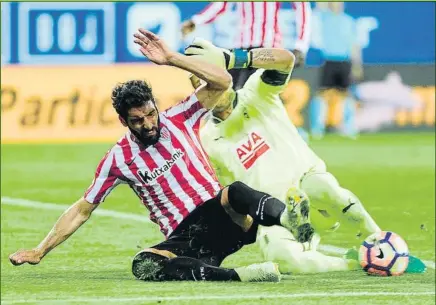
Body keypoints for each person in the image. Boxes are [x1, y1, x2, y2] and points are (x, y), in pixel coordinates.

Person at [8, 30, 314, 282]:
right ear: (123, 122)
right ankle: (241, 275)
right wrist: (40, 250)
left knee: (234, 191)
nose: (148, 124)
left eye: (150, 114)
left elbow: (221, 82)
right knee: (145, 264)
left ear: (156, 106)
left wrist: (172, 59)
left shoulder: (181, 116)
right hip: (189, 240)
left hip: (230, 221)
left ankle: (290, 220)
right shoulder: (118, 159)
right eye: (138, 121)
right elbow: (82, 209)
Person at [188, 40, 425, 274]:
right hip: (275, 211)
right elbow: (226, 191)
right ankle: (356, 263)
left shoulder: (256, 92)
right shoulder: (207, 139)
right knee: (284, 261)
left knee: (329, 190)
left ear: (226, 77)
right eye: (204, 86)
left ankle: (378, 241)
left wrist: (233, 57)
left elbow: (286, 60)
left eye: (213, 80)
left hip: (308, 186)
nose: (211, 90)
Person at [181, 1, 312, 90]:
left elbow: (302, 7)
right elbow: (222, 4)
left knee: (257, 95)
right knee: (229, 93)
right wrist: (196, 21)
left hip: (267, 47)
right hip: (241, 47)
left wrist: (301, 45)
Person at [309, 2, 362, 139]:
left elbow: (355, 45)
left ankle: (349, 127)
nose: (337, 5)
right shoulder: (324, 17)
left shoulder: (349, 21)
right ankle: (317, 127)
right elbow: (318, 6)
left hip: (345, 61)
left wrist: (357, 65)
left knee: (347, 94)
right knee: (322, 94)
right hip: (329, 60)